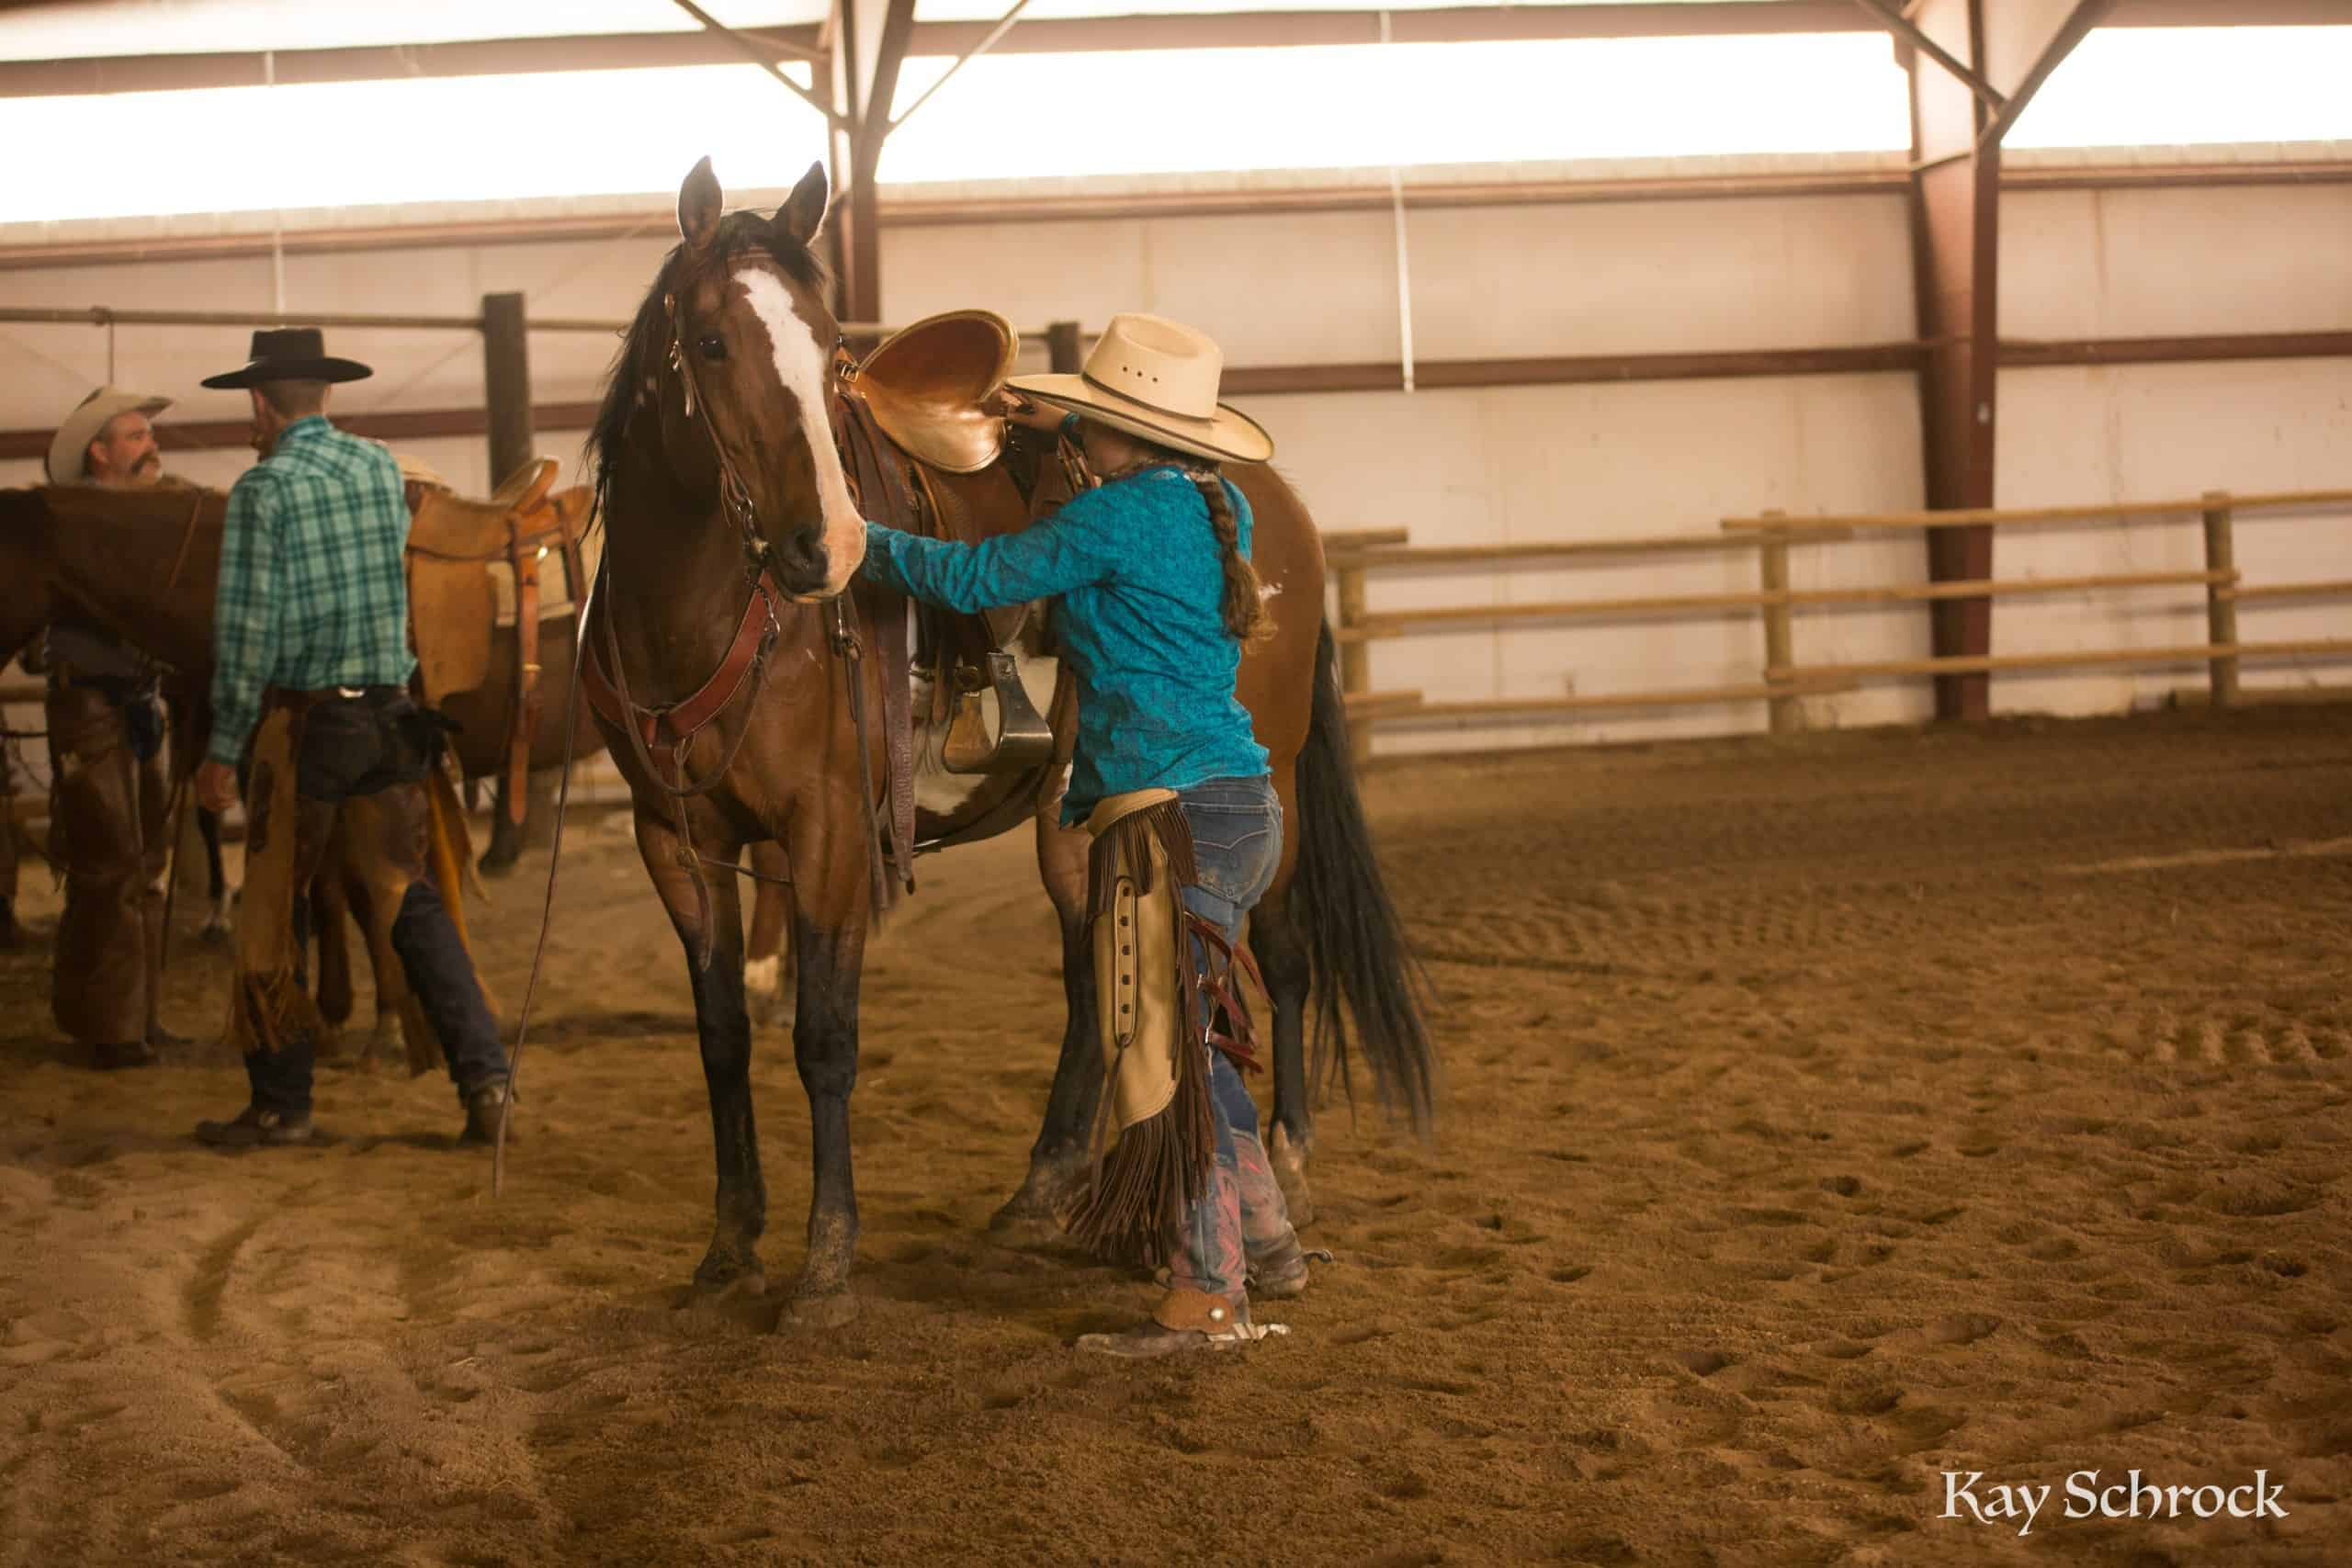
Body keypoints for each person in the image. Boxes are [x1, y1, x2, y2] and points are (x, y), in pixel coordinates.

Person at [859, 312, 1320, 1358]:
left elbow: (975, 581)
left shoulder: (1114, 518)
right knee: (1199, 1047)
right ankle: (1269, 1241)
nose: (1078, 431)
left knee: (1162, 1065)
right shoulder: (1218, 505)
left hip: (1166, 818)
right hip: (1235, 803)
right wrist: (1052, 421)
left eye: (1091, 417)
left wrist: (860, 545)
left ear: (1120, 432)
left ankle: (1208, 1297)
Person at [189, 328, 511, 1148]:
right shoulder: (377, 469)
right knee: (409, 897)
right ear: (326, 395)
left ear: (260, 402)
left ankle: (282, 1103)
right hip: (391, 720)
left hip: (307, 728)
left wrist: (223, 748)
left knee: (277, 903)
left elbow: (247, 635)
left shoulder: (264, 490)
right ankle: (486, 1078)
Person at [39, 386, 183, 1068]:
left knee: (142, 861)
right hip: (91, 703)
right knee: (111, 863)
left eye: (148, 434)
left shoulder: (145, 518)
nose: (151, 445)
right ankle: (116, 1026)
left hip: (133, 700)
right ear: (99, 452)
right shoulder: (74, 523)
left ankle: (131, 1015)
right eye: (135, 436)